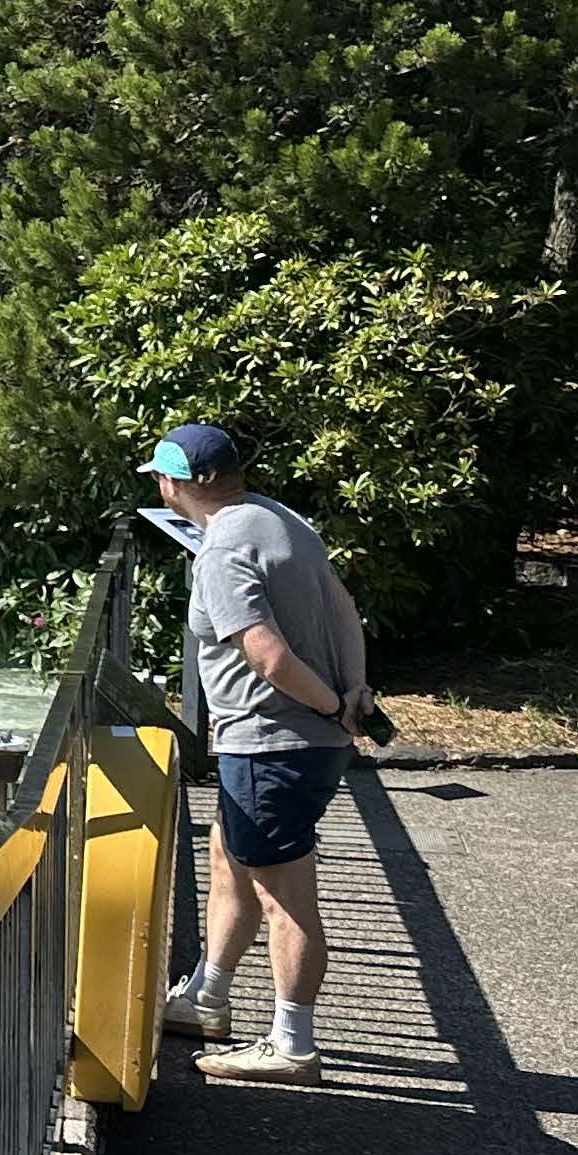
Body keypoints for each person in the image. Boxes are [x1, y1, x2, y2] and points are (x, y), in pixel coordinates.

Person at [144, 421, 373, 1086]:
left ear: (176, 484)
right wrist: (353, 690)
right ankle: (207, 996)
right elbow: (346, 607)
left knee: (286, 899)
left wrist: (331, 706)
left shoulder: (220, 551)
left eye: (161, 479)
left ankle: (292, 1045)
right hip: (304, 742)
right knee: (227, 855)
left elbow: (266, 654)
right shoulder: (282, 520)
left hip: (270, 743)